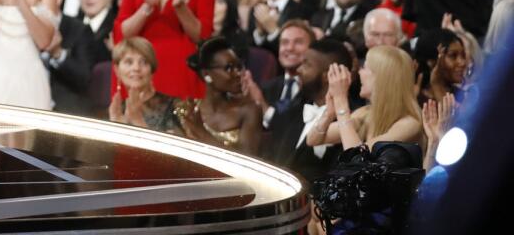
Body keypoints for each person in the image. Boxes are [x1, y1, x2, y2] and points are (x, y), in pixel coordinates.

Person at [257, 37, 353, 182]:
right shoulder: (289, 114)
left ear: (329, 75)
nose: (299, 70)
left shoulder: (351, 121)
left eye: (306, 65)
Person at [306, 45, 423, 150]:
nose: (359, 72)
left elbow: (359, 159)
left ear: (382, 78)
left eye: (365, 68)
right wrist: (329, 114)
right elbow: (312, 140)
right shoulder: (366, 113)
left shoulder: (410, 124)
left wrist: (341, 103)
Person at [176, 37, 263, 155]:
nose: (238, 73)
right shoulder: (188, 111)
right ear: (206, 74)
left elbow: (247, 163)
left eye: (239, 67)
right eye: (229, 68)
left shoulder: (250, 110)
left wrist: (202, 133)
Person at [108, 36, 184, 135]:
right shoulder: (117, 110)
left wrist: (138, 121)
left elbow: (175, 148)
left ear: (152, 70)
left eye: (144, 62)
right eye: (129, 62)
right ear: (117, 70)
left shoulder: (174, 107)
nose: (136, 68)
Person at [413, 28, 468, 106]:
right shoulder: (416, 99)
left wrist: (437, 85)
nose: (462, 62)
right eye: (453, 55)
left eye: (463, 55)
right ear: (431, 62)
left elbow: (459, 118)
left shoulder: (465, 97)